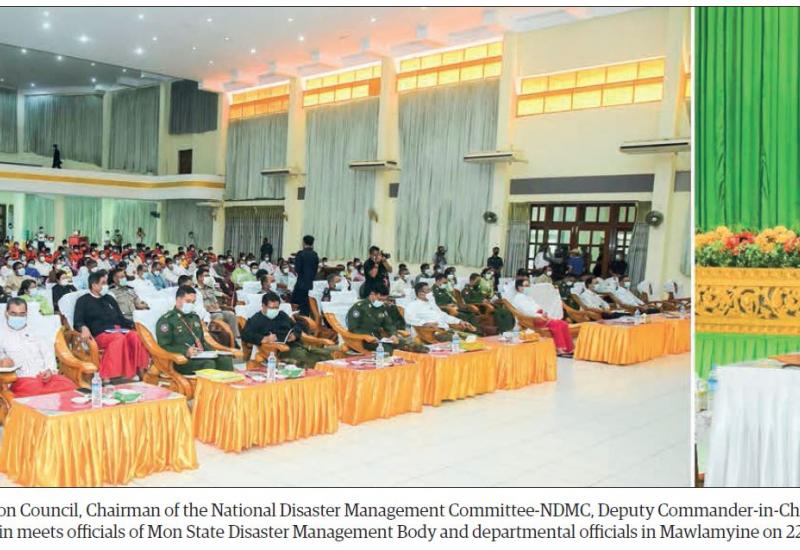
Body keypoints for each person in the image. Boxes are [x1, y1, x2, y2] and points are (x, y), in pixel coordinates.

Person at [73, 270, 150, 381]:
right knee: (118, 338)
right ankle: (109, 375)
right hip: (100, 333)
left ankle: (140, 371)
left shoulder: (109, 298)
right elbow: (78, 321)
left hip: (118, 330)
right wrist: (83, 327)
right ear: (94, 285)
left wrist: (134, 325)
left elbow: (121, 318)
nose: (106, 286)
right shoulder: (83, 301)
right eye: (103, 283)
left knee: (136, 336)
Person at [0, 298, 75, 397]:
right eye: (13, 314)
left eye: (22, 314)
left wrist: (49, 370)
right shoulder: (2, 335)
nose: (18, 317)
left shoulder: (36, 332)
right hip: (21, 379)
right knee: (35, 392)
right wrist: (5, 362)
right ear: (6, 313)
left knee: (69, 386)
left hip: (44, 376)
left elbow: (48, 354)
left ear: (26, 314)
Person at [241, 292, 335, 369]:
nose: (274, 310)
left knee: (328, 355)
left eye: (276, 308)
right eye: (271, 308)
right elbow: (245, 335)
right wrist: (263, 338)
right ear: (263, 306)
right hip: (281, 350)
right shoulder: (256, 319)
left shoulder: (281, 315)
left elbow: (296, 326)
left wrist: (295, 335)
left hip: (297, 344)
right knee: (312, 359)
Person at [155, 286, 233, 375]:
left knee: (225, 360)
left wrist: (214, 352)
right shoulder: (167, 320)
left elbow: (202, 341)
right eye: (188, 301)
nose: (191, 305)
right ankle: (207, 384)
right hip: (180, 360)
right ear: (178, 299)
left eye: (193, 302)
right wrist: (185, 351)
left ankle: (226, 384)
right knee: (209, 364)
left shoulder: (194, 317)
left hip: (198, 356)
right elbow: (163, 346)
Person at [345, 289, 425, 354]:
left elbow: (389, 324)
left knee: (409, 344)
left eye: (384, 300)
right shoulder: (359, 307)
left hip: (378, 339)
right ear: (372, 294)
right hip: (363, 341)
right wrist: (365, 336)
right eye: (380, 299)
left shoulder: (381, 307)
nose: (382, 302)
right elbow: (353, 328)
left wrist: (393, 335)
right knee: (387, 349)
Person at [512, 278, 575, 356]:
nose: (528, 288)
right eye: (526, 286)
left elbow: (537, 308)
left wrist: (543, 314)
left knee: (563, 323)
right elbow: (527, 312)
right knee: (557, 324)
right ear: (519, 287)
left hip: (539, 317)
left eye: (528, 286)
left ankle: (569, 348)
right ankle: (559, 348)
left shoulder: (527, 297)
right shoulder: (519, 298)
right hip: (532, 319)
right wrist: (539, 316)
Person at [404, 282, 477, 339]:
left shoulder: (431, 303)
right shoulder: (412, 305)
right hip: (431, 333)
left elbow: (443, 316)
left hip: (445, 330)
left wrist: (460, 321)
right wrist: (425, 323)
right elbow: (409, 319)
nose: (431, 292)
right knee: (465, 340)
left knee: (473, 337)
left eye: (430, 290)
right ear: (420, 294)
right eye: (428, 290)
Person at [196, 267, 240, 341]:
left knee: (231, 314)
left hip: (216, 310)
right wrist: (207, 308)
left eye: (208, 276)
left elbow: (215, 302)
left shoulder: (210, 288)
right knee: (219, 316)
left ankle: (235, 338)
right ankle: (219, 339)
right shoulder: (196, 290)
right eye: (206, 276)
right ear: (199, 277)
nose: (208, 278)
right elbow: (197, 306)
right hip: (206, 313)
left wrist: (224, 307)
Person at [291, 235, 319, 316]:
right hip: (310, 285)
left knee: (295, 305)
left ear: (303, 243)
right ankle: (306, 321)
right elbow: (315, 270)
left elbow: (297, 269)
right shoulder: (315, 255)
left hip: (301, 284)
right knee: (307, 307)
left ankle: (297, 321)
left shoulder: (300, 254)